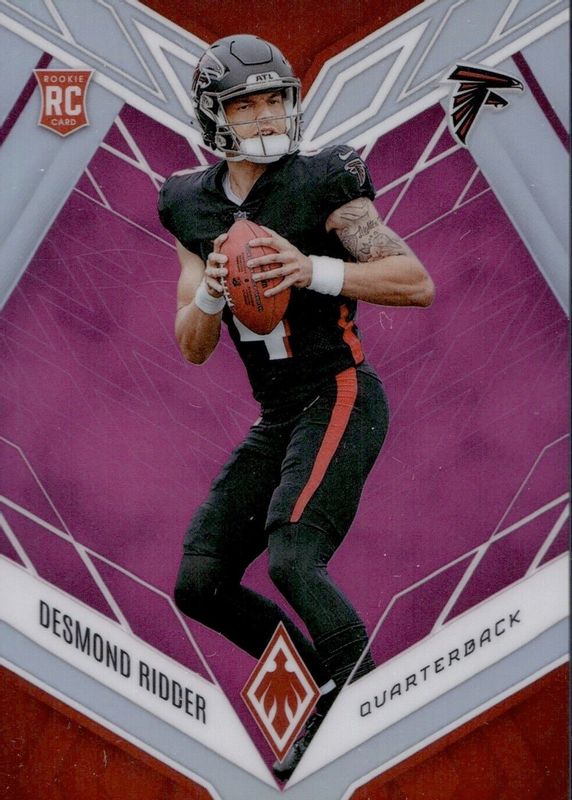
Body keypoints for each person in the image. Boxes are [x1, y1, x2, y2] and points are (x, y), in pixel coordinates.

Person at [158, 33, 434, 779]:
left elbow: (415, 281)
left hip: (339, 390)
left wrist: (313, 269)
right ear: (213, 116)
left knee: (292, 558)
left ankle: (367, 709)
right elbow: (191, 346)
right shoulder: (187, 202)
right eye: (246, 104)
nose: (265, 116)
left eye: (274, 100)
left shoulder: (323, 180)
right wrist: (210, 293)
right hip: (277, 415)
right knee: (200, 582)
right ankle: (323, 696)